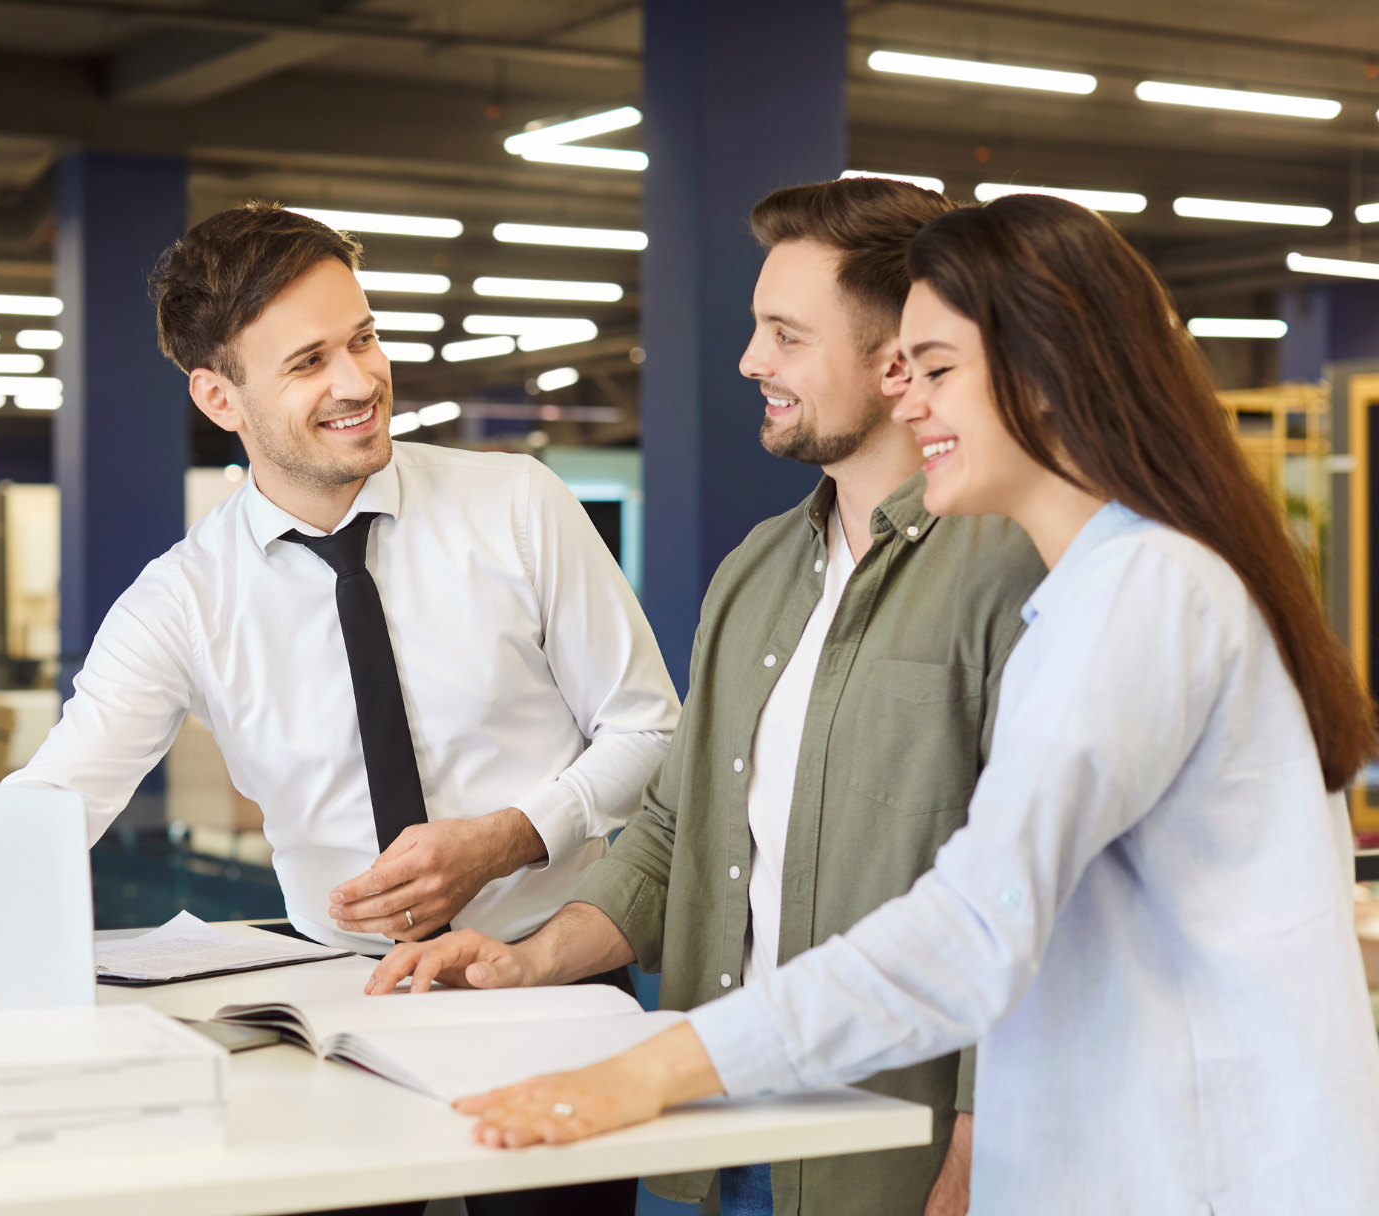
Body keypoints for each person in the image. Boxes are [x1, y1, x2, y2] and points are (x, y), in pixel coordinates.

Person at [416, 194, 1379, 1215]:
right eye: (908, 369)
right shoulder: (1105, 590)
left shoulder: (1142, 596)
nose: (912, 401)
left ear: (1048, 375)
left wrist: (648, 1070)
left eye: (939, 369)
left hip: (1188, 1171)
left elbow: (973, 926)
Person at [369, 176, 1048, 1215]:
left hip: (895, 1150)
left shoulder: (1010, 568)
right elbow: (674, 833)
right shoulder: (756, 573)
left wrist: (981, 1150)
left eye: (786, 334)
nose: (751, 361)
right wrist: (526, 957)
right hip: (713, 1134)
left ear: (894, 358)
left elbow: (1030, 901)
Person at [6, 202, 680, 1216]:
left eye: (363, 337)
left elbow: (650, 729)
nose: (360, 381)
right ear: (219, 395)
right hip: (335, 1010)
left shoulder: (518, 505)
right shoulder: (182, 598)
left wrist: (508, 837)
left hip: (544, 980)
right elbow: (54, 802)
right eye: (309, 360)